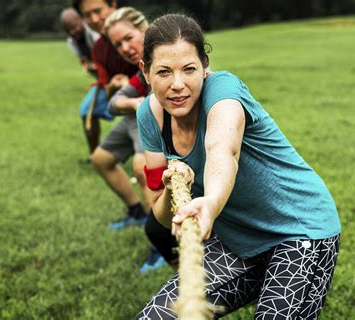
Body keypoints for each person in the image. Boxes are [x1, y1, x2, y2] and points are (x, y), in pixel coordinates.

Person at [136, 14, 341, 319]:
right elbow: (161, 216)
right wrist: (170, 189)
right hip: (238, 241)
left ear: (204, 68)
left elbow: (223, 150)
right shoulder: (150, 116)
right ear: (145, 71)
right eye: (164, 72)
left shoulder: (223, 91)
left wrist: (211, 203)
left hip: (300, 232)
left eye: (189, 69)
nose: (178, 85)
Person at [96, 7, 178, 272]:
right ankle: (136, 212)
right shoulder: (140, 68)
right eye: (117, 43)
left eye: (129, 38)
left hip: (157, 120)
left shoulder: (167, 55)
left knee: (143, 170)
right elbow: (112, 104)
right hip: (137, 114)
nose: (124, 47)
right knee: (101, 159)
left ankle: (161, 241)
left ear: (145, 28)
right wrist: (134, 101)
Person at [72, 0, 137, 160]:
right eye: (87, 15)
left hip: (151, 93)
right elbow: (108, 91)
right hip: (123, 93)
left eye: (98, 11)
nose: (94, 19)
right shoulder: (99, 48)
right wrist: (114, 87)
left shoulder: (139, 31)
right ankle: (95, 155)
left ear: (113, 5)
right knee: (87, 109)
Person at [60, 7, 99, 78]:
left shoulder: (95, 33)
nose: (73, 32)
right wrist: (88, 66)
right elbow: (83, 59)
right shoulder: (71, 42)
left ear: (81, 20)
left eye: (74, 27)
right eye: (68, 30)